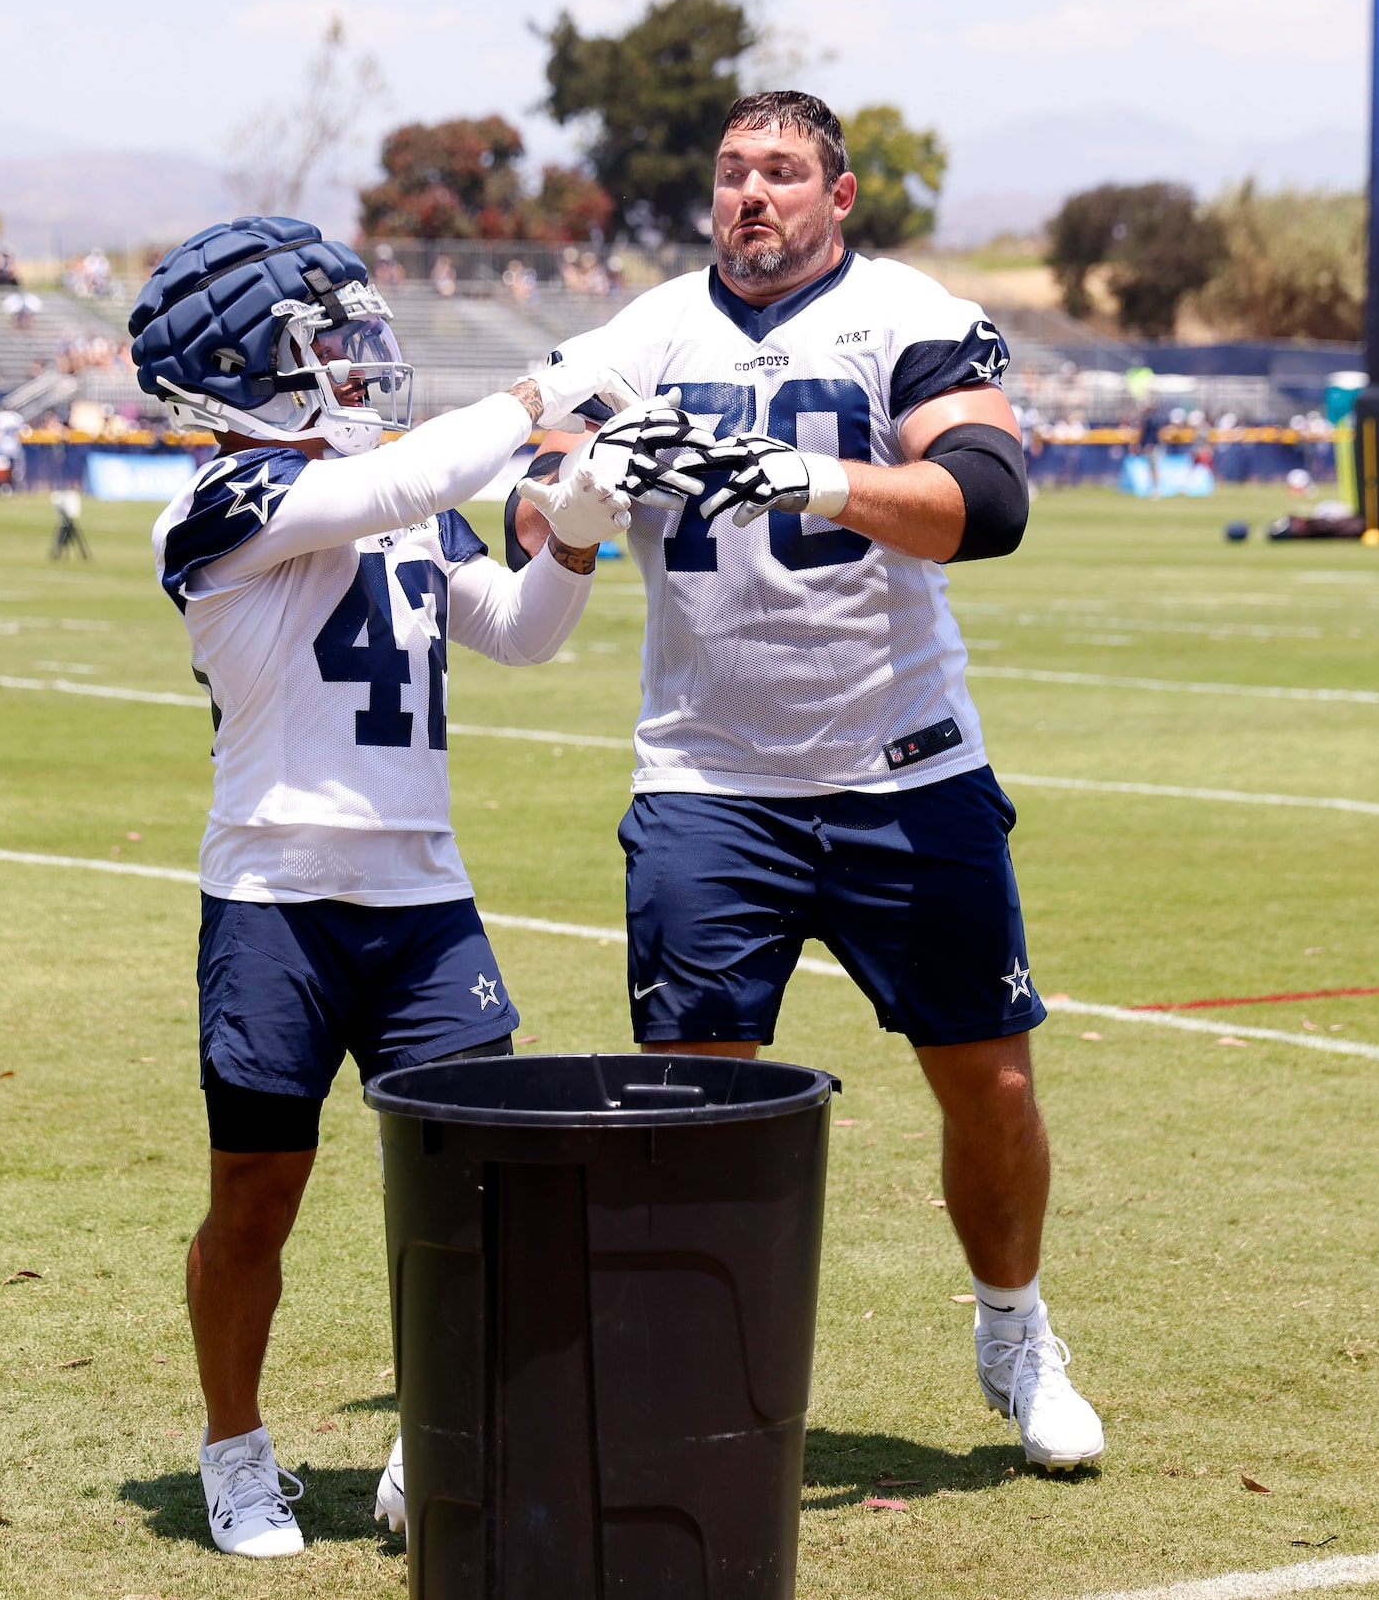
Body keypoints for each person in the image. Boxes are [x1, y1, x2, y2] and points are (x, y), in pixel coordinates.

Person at [516, 90, 1104, 1473]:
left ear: (837, 196)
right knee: (689, 1113)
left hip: (903, 768)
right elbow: (532, 503)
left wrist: (809, 478)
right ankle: (679, 1371)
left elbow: (988, 505)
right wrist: (577, 502)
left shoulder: (906, 313)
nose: (749, 195)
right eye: (729, 173)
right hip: (708, 779)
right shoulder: (643, 334)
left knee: (993, 1091)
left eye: (779, 171)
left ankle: (1013, 1330)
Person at [131, 217, 638, 1559]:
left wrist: (574, 540)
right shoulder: (222, 500)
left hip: (424, 902)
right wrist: (542, 395)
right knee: (256, 1197)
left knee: (493, 1187)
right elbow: (396, 487)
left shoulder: (397, 487)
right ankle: (234, 1446)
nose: (358, 363)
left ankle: (441, 1431)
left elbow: (519, 634)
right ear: (240, 369)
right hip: (274, 907)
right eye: (325, 345)